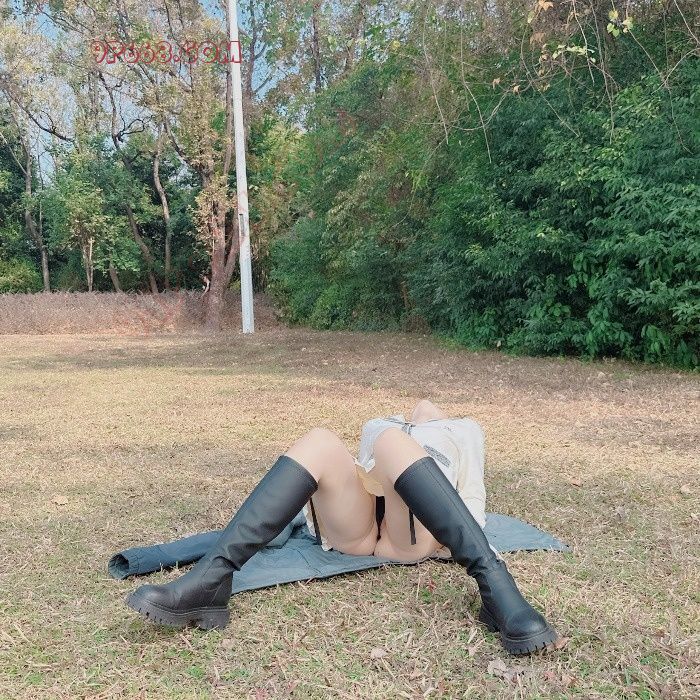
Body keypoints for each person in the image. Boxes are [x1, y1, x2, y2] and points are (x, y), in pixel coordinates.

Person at [126, 400, 559, 655]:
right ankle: (213, 579)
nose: (421, 409)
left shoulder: (459, 432)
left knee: (394, 443)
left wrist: (466, 536)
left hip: (409, 536)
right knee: (321, 439)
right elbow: (357, 475)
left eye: (427, 411)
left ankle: (494, 585)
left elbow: (472, 497)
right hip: (358, 530)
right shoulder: (382, 427)